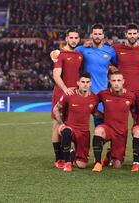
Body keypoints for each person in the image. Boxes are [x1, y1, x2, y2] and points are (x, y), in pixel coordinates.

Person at [51, 23, 117, 126]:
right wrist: (55, 53)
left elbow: (119, 66)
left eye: (100, 34)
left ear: (103, 35)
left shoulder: (110, 51)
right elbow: (67, 51)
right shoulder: (81, 49)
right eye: (95, 34)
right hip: (83, 92)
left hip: (101, 93)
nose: (97, 36)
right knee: (76, 123)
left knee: (100, 124)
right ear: (91, 35)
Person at [53, 72, 99, 172]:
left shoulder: (94, 98)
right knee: (66, 131)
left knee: (82, 165)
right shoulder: (69, 94)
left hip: (84, 133)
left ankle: (72, 154)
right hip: (71, 128)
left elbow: (95, 112)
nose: (85, 84)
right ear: (78, 83)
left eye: (87, 82)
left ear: (91, 83)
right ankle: (67, 162)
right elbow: (56, 108)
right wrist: (61, 124)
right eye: (83, 82)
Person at [50, 28, 83, 169]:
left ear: (79, 39)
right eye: (71, 37)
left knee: (72, 124)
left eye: (76, 38)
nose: (74, 40)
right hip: (61, 93)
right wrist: (65, 90)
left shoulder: (79, 55)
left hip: (75, 95)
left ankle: (69, 156)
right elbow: (56, 75)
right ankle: (59, 159)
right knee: (58, 124)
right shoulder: (61, 54)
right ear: (66, 38)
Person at [92, 71, 135, 172]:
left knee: (117, 165)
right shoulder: (103, 94)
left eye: (119, 80)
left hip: (121, 133)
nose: (116, 83)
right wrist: (99, 114)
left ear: (123, 81)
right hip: (108, 128)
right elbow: (90, 101)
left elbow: (135, 111)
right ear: (109, 81)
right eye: (114, 80)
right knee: (98, 130)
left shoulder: (131, 96)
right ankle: (98, 163)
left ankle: (110, 154)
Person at [112, 23, 139, 92]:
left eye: (134, 33)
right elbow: (104, 52)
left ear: (138, 34)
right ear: (126, 34)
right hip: (122, 91)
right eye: (130, 33)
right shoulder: (116, 48)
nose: (132, 36)